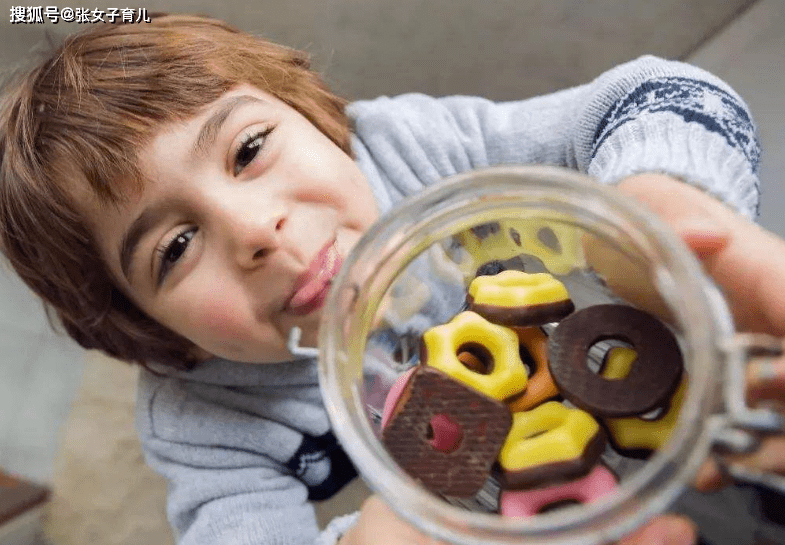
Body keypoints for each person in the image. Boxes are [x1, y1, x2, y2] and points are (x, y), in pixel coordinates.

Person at [0, 12, 781, 545]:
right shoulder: (202, 420)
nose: (254, 231)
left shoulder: (415, 150)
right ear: (148, 327)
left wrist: (657, 199)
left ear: (318, 117)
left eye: (247, 151)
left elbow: (649, 94)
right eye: (173, 248)